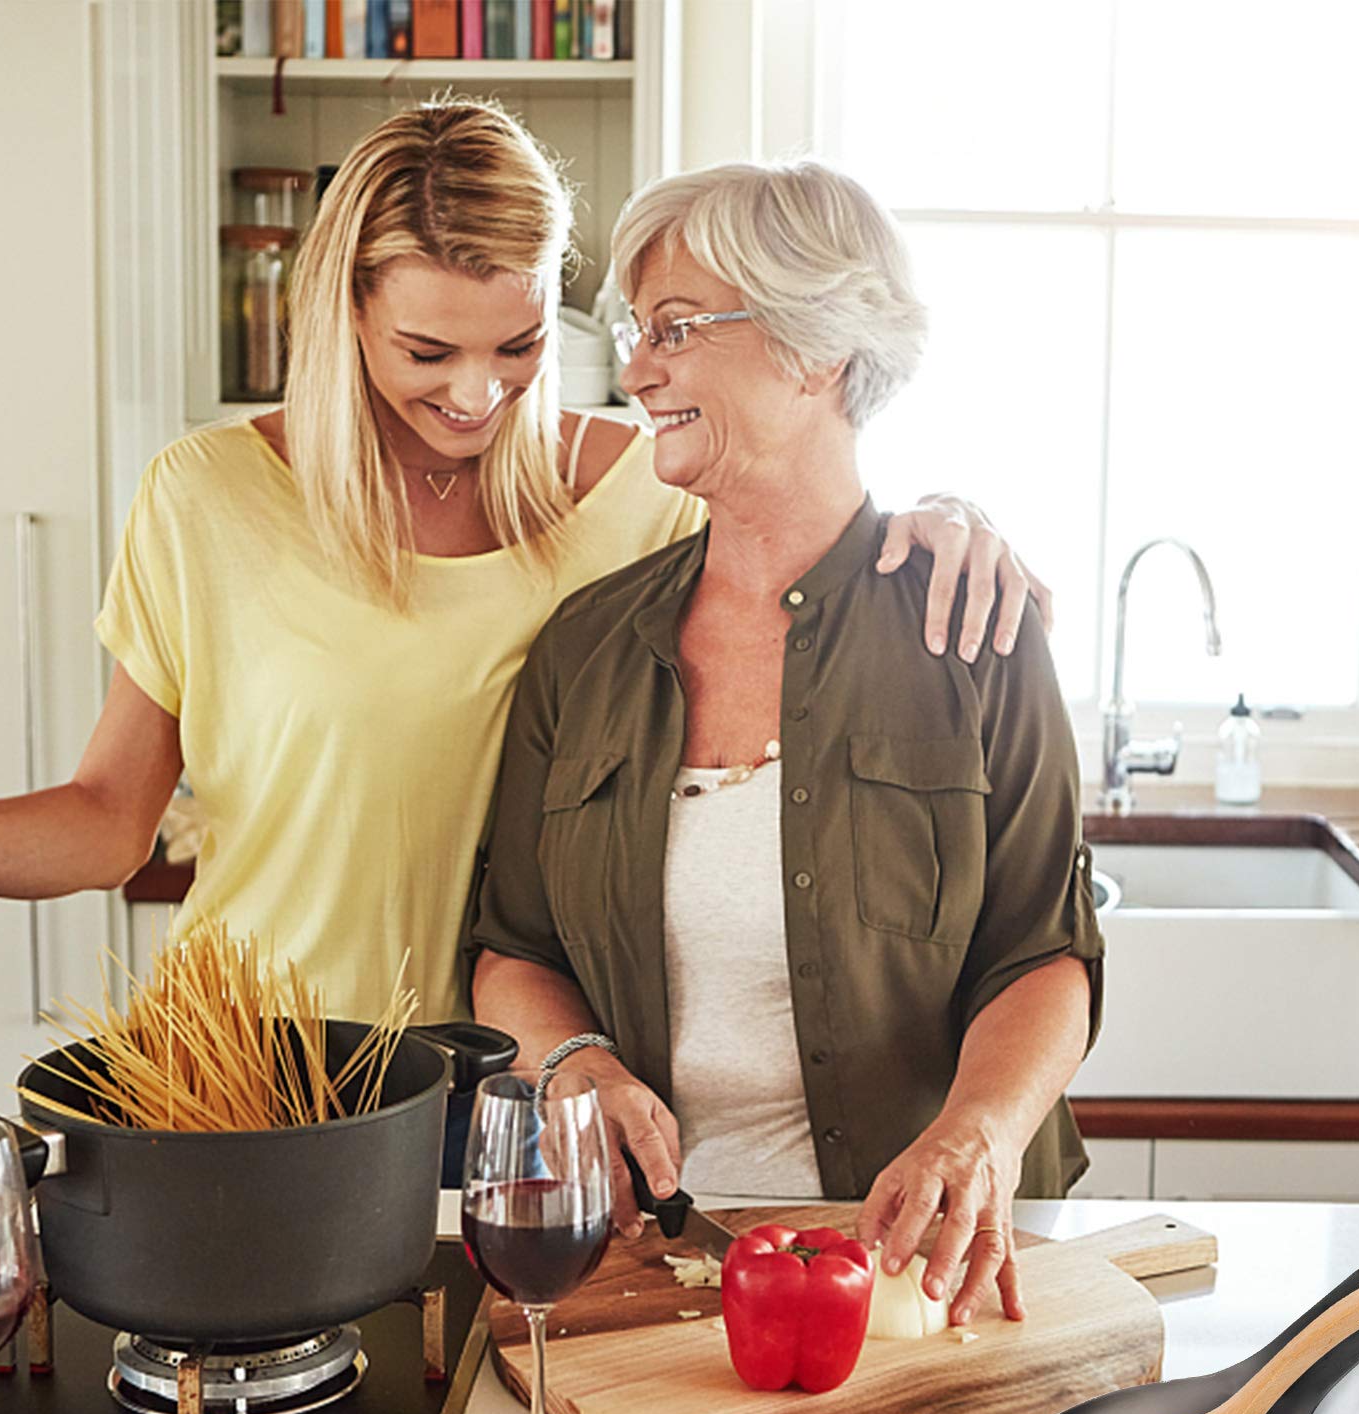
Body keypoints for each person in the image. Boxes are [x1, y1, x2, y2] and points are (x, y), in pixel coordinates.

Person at [0, 99, 1041, 1168]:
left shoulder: (634, 495)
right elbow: (104, 823)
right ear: (346, 315)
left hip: (519, 1090)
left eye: (516, 347)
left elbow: (804, 496)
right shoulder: (209, 496)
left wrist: (951, 516)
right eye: (427, 352)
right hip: (252, 1076)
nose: (476, 394)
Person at [468, 159, 1103, 1327]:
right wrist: (580, 1066)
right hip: (656, 1269)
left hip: (936, 1271)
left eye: (675, 328)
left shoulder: (973, 628)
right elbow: (513, 948)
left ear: (817, 350)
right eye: (631, 329)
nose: (635, 366)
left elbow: (1045, 952)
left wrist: (980, 1134)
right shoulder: (587, 649)